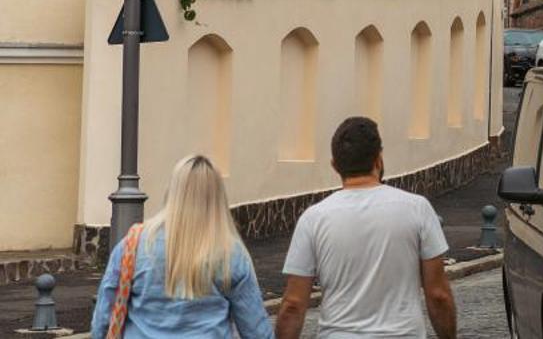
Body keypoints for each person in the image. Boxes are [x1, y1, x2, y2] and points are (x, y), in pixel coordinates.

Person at [274, 117, 456, 339]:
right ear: (378, 160)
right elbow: (438, 295)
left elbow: (293, 304)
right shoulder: (417, 209)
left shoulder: (313, 219)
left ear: (335, 166)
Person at [90, 154, 273, 339]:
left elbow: (103, 319)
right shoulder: (230, 254)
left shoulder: (134, 245)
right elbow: (257, 330)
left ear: (172, 191)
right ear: (218, 197)